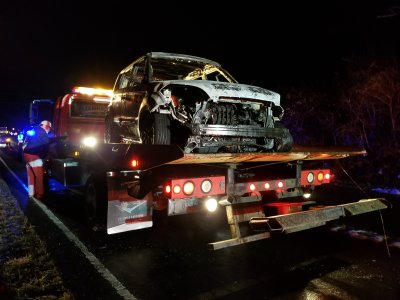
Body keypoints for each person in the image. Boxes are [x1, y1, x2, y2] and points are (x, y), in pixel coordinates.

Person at [23, 120, 53, 201]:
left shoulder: (33, 130)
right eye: (49, 127)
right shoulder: (43, 133)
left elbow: (25, 143)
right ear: (46, 126)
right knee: (39, 176)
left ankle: (31, 193)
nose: (49, 130)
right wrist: (44, 157)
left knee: (31, 175)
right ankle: (40, 194)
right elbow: (46, 147)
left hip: (26, 155)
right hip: (34, 156)